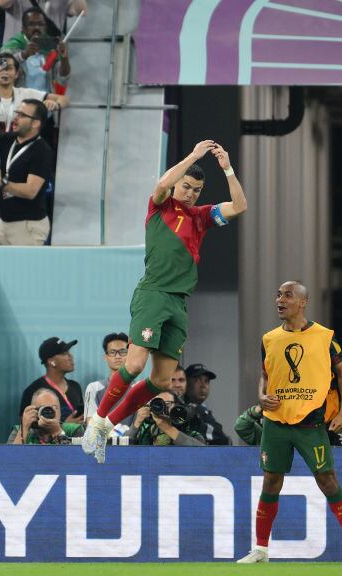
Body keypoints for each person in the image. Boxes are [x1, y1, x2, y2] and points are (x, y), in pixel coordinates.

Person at [82, 140, 247, 463]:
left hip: (179, 304)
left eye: (196, 190)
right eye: (186, 187)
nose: (190, 193)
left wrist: (226, 167)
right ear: (177, 186)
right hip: (153, 295)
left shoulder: (201, 217)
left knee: (160, 380)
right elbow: (161, 184)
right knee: (134, 364)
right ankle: (96, 422)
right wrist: (195, 156)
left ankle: (107, 427)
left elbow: (239, 206)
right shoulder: (160, 207)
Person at [237, 281, 342, 564]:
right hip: (276, 422)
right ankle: (260, 549)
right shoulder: (269, 338)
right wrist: (261, 395)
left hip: (311, 423)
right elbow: (266, 374)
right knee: (271, 481)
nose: (279, 300)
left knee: (327, 480)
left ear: (303, 302)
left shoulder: (324, 337)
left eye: (287, 295)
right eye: (278, 294)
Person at [0, 52, 66, 244]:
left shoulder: (26, 97)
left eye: (9, 68)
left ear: (17, 73)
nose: (4, 72)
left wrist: (54, 104)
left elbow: (63, 99)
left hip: (18, 180)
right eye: (0, 68)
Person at [0, 98, 55, 245]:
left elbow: (31, 191)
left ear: (35, 123)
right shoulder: (8, 139)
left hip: (28, 225)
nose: (16, 118)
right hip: (4, 223)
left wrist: (4, 183)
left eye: (22, 115)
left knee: (23, 268)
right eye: (17, 113)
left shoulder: (42, 151)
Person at [1, 8, 69, 94]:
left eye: (41, 24)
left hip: (45, 101)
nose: (37, 27)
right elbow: (1, 67)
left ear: (45, 28)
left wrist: (64, 59)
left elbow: (63, 77)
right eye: (31, 24)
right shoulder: (14, 45)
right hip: (19, 101)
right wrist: (23, 55)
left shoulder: (50, 47)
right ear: (24, 28)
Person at [19, 336, 84, 423]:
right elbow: (26, 427)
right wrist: (64, 427)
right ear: (52, 362)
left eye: (69, 352)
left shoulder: (75, 386)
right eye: (64, 353)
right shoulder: (33, 391)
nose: (70, 356)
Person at [82, 332, 130, 426]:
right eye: (112, 352)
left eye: (123, 352)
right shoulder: (94, 388)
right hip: (103, 439)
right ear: (105, 357)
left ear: (130, 355)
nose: (117, 356)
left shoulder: (138, 387)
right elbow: (90, 424)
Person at [130, 390, 205, 446]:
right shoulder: (145, 433)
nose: (162, 408)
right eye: (158, 404)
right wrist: (136, 424)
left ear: (176, 406)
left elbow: (204, 452)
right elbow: (121, 450)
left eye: (167, 404)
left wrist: (168, 429)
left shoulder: (189, 432)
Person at [10, 387, 82, 444]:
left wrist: (58, 432)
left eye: (54, 407)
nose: (49, 411)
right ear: (34, 411)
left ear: (60, 412)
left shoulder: (73, 430)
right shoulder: (19, 430)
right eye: (43, 408)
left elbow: (78, 457)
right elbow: (9, 459)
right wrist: (24, 429)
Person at [183, 363, 231, 445]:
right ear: (186, 383)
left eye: (206, 381)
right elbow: (221, 437)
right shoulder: (182, 407)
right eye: (196, 380)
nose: (203, 385)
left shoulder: (201, 408)